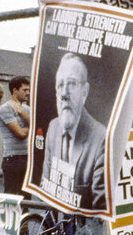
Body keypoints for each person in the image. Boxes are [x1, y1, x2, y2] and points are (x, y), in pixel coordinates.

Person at [42, 53, 106, 210]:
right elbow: (46, 189)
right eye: (60, 85)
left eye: (71, 84)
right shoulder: (53, 127)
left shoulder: (101, 138)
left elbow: (99, 209)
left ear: (84, 91)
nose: (64, 94)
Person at [0, 76, 31, 197]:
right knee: (11, 198)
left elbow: (38, 127)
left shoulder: (26, 109)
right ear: (15, 90)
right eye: (25, 90)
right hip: (12, 160)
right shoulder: (5, 109)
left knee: (26, 197)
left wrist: (22, 113)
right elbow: (20, 134)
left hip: (27, 158)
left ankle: (25, 216)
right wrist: (30, 128)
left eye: (28, 90)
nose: (28, 93)